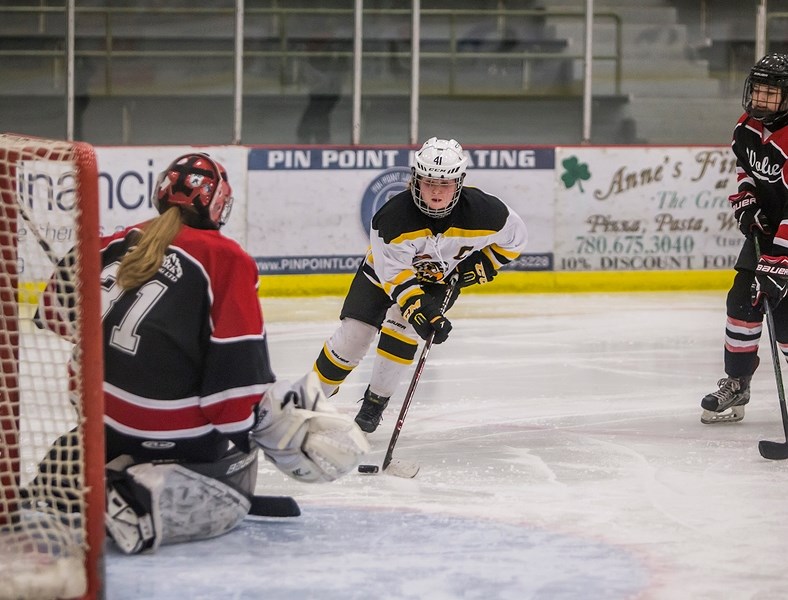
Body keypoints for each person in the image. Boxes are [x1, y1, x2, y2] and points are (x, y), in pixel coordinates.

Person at [32, 153, 369, 553]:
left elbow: (55, 316)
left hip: (96, 414)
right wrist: (257, 430)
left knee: (92, 363)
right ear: (219, 203)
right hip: (166, 428)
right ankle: (138, 500)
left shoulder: (110, 242)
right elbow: (234, 385)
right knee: (236, 481)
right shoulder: (226, 258)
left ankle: (92, 466)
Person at [310, 137, 528, 433]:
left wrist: (476, 269)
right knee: (354, 336)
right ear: (415, 179)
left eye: (445, 183)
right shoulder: (392, 218)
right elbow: (395, 276)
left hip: (438, 282)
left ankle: (375, 403)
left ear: (459, 182)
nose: (436, 191)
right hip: (380, 276)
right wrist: (419, 310)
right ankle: (311, 398)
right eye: (428, 182)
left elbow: (515, 240)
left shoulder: (487, 212)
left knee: (403, 330)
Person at [701, 53, 788, 424]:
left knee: (785, 319)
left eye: (771, 94)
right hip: (767, 230)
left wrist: (780, 260)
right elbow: (744, 168)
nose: (760, 100)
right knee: (742, 303)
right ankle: (737, 382)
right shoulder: (746, 127)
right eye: (758, 91)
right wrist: (746, 201)